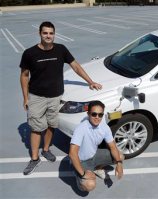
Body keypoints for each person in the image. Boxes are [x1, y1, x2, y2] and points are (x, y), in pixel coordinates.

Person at [20, 21, 102, 175]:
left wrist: (90, 82)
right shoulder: (30, 53)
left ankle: (46, 149)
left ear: (54, 34)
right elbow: (24, 76)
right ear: (40, 34)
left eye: (51, 33)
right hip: (36, 97)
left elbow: (76, 66)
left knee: (52, 125)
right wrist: (25, 98)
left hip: (56, 96)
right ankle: (35, 158)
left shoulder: (61, 49)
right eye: (45, 33)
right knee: (36, 128)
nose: (48, 36)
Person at [69, 100, 124, 192]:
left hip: (94, 155)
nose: (97, 117)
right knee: (89, 185)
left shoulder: (104, 127)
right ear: (88, 114)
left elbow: (113, 147)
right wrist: (83, 174)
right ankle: (79, 178)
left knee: (120, 156)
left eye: (100, 115)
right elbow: (72, 154)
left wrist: (119, 163)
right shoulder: (81, 128)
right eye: (94, 114)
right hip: (81, 161)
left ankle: (97, 169)